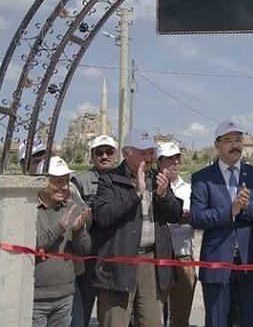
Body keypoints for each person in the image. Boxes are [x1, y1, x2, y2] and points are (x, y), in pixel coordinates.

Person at [92, 128, 183, 327]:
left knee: (151, 321)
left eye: (151, 152)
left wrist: (163, 195)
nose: (149, 158)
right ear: (127, 153)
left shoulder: (158, 177)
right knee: (114, 321)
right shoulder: (110, 179)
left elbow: (175, 214)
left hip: (151, 261)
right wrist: (136, 194)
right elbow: (103, 217)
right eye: (143, 153)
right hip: (119, 262)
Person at [190, 120, 253, 327]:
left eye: (238, 140)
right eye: (228, 140)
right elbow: (197, 218)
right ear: (217, 144)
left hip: (250, 262)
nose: (235, 145)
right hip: (217, 262)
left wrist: (246, 207)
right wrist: (230, 211)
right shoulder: (202, 178)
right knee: (218, 321)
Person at [33, 156, 91, 327]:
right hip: (35, 298)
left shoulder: (72, 208)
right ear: (42, 182)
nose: (65, 187)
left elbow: (85, 250)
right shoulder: (27, 209)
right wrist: (58, 228)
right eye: (58, 181)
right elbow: (28, 247)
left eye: (66, 181)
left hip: (65, 296)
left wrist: (79, 230)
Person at [70, 134, 117, 327]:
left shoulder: (122, 179)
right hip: (89, 258)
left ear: (115, 155)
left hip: (114, 257)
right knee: (81, 316)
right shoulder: (79, 182)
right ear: (92, 156)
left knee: (112, 317)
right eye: (99, 152)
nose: (104, 156)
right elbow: (75, 218)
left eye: (109, 152)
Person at [157, 142, 196, 327]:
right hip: (157, 259)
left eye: (177, 157)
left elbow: (197, 217)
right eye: (170, 158)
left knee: (180, 317)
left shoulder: (190, 189)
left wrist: (186, 217)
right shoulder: (150, 188)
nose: (175, 162)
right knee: (154, 316)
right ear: (159, 162)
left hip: (183, 257)